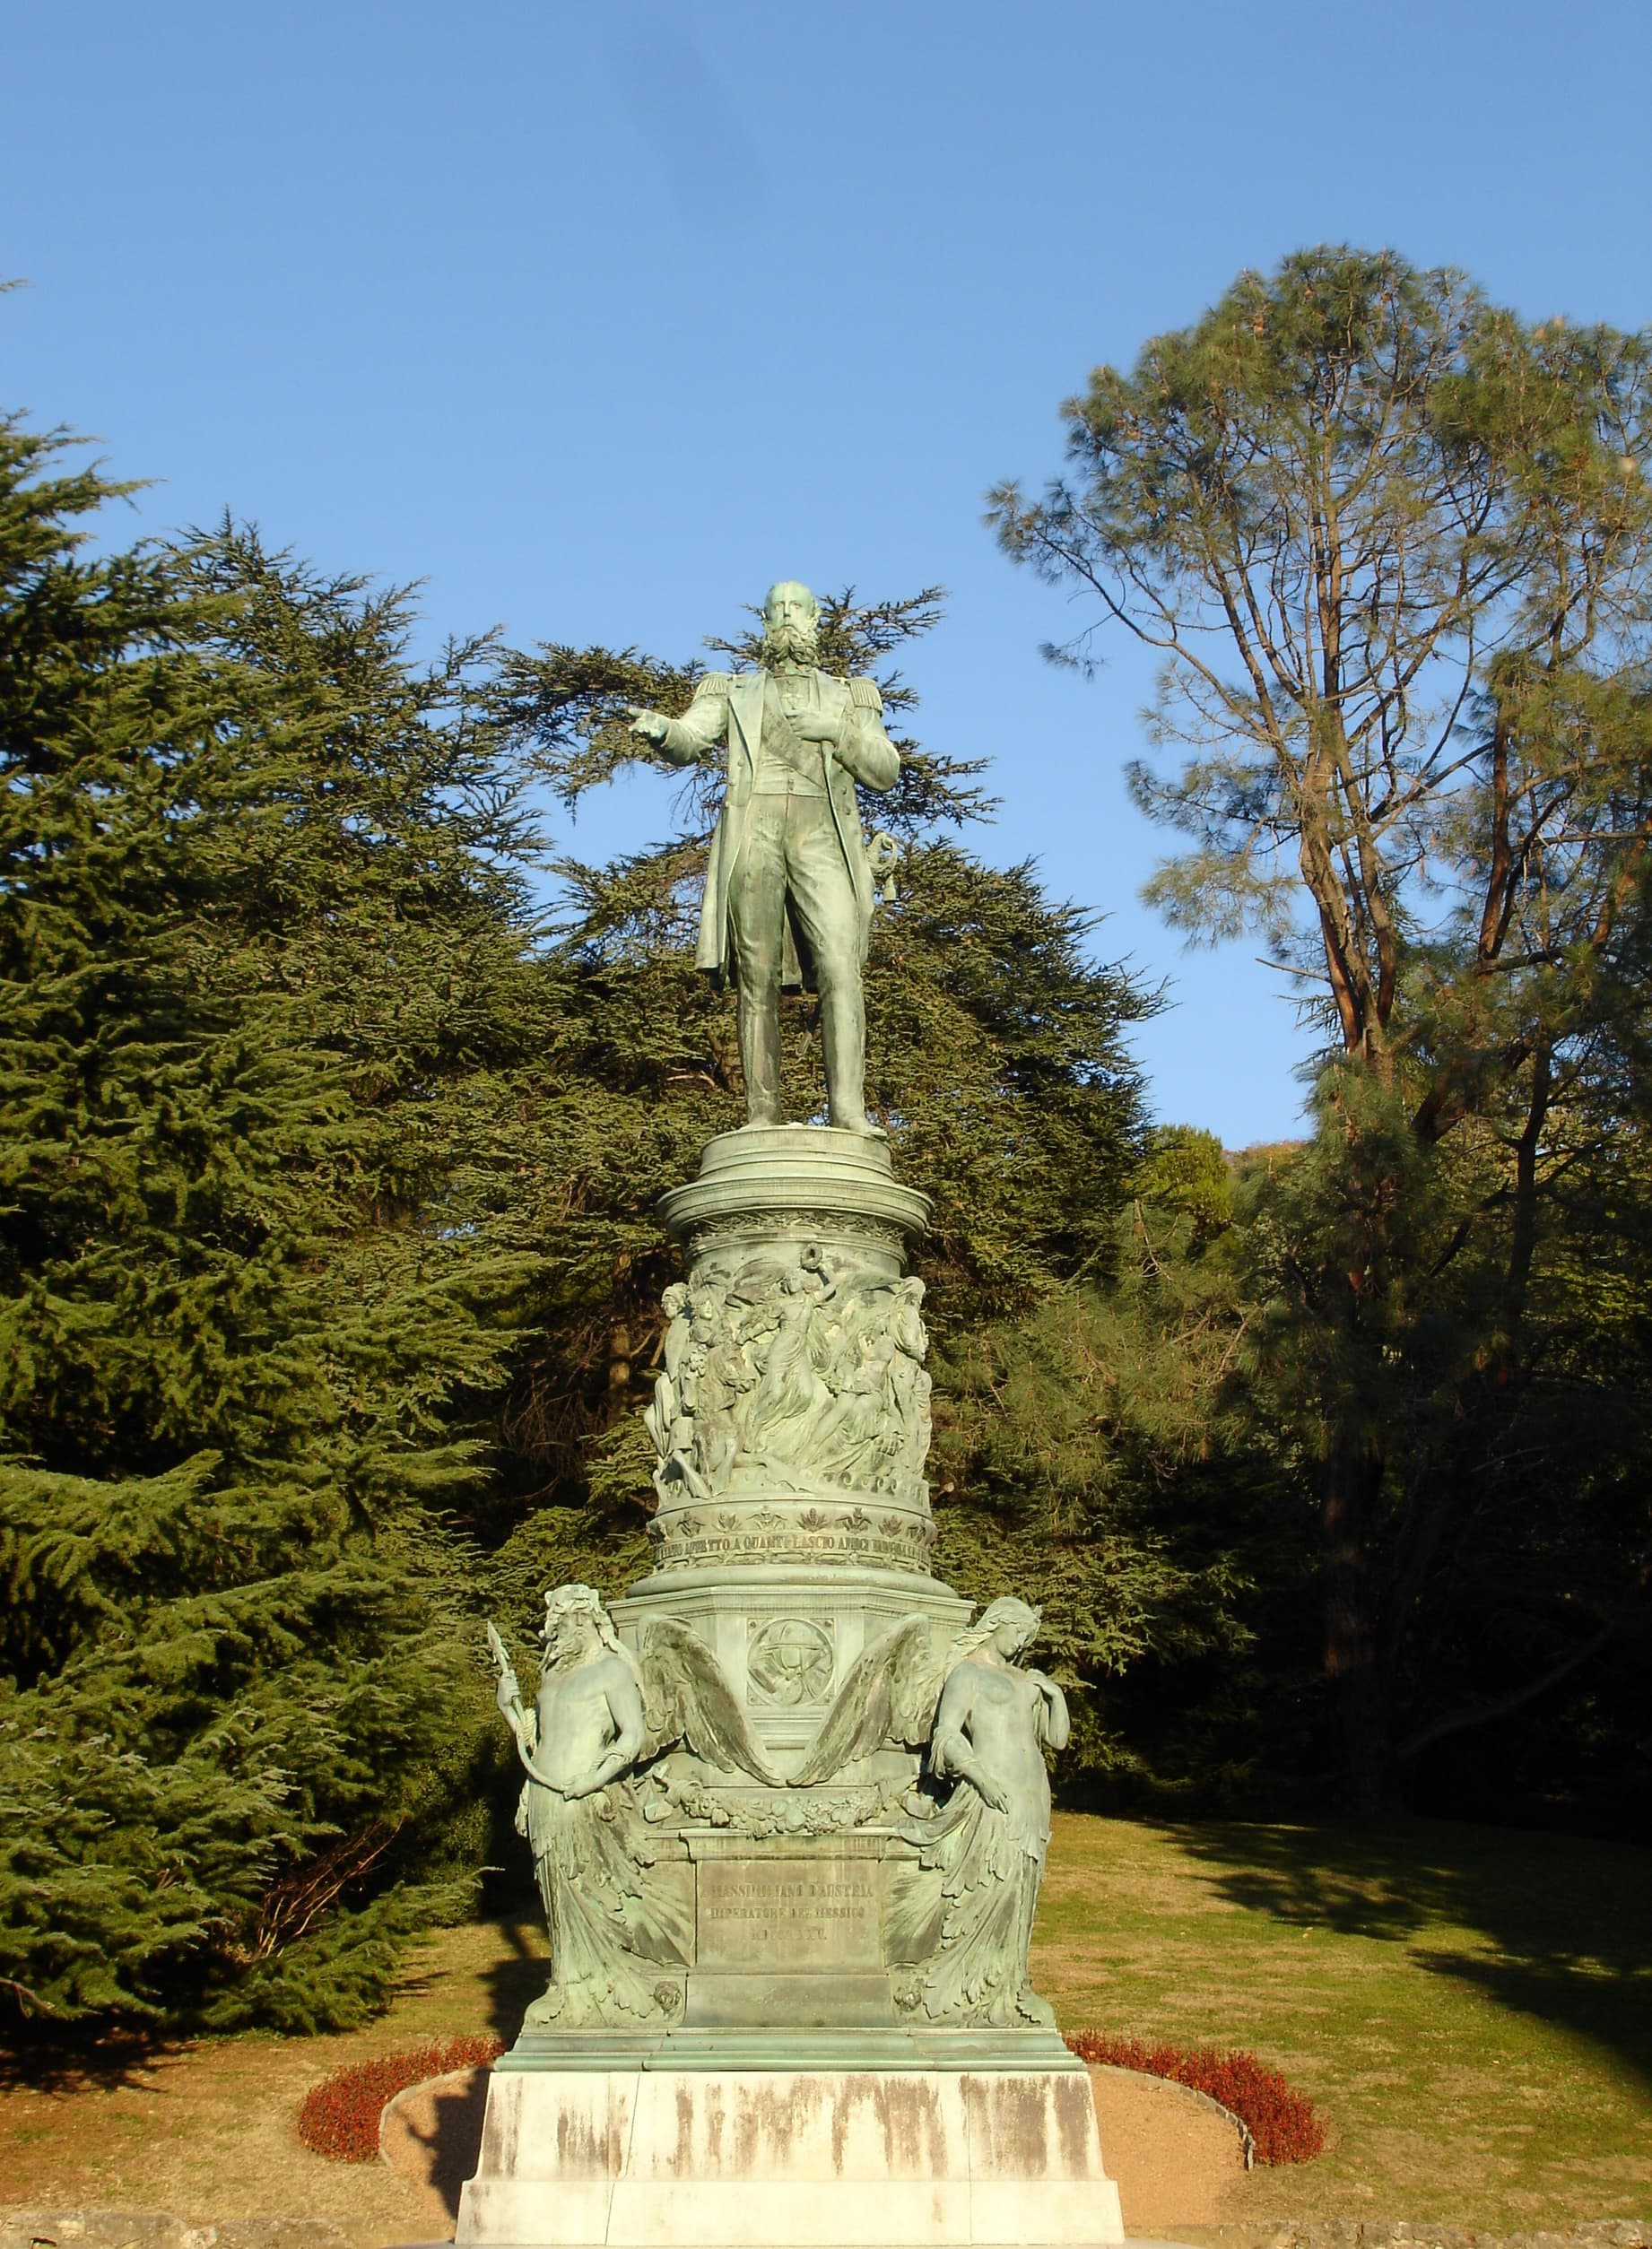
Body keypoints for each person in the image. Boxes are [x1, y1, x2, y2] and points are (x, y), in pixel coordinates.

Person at [628, 581, 899, 1135]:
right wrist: (661, 730)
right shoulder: (732, 692)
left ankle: (849, 1112)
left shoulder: (852, 697)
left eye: (795, 608)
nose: (785, 617)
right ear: (766, 622)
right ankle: (761, 1114)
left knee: (841, 967)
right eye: (776, 610)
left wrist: (837, 732)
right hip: (756, 830)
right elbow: (689, 737)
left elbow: (885, 770)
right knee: (756, 976)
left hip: (822, 831)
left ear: (814, 618)